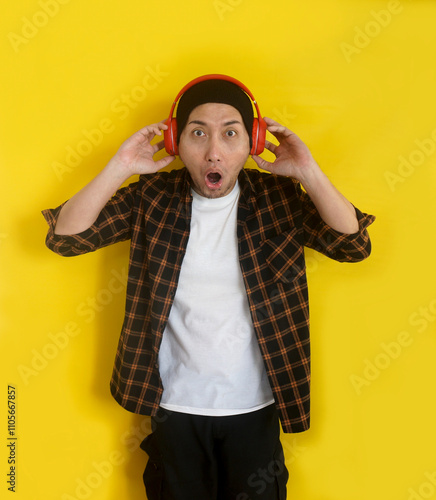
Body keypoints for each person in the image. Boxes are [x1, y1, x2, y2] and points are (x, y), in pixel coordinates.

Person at [42, 75, 375, 499]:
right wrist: (121, 165)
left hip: (256, 408)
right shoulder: (153, 198)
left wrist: (307, 170)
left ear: (252, 143)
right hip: (174, 410)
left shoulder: (279, 199)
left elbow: (354, 245)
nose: (214, 151)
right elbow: (66, 238)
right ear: (176, 142)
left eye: (231, 134)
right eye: (197, 133)